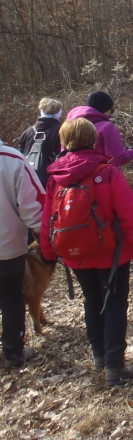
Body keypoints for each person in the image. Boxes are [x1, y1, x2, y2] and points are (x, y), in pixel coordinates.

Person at [41, 118, 133, 385]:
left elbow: (47, 219)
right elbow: (130, 215)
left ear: (64, 141)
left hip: (75, 254)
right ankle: (114, 367)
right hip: (112, 254)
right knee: (114, 304)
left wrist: (48, 252)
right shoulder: (108, 172)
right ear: (93, 139)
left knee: (92, 301)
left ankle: (99, 357)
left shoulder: (55, 177)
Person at [0, 140, 43, 369]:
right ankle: (13, 352)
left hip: (9, 247)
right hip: (7, 248)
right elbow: (34, 206)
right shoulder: (13, 159)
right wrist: (43, 234)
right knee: (11, 297)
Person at [65, 92, 133, 168]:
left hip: (69, 171)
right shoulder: (106, 127)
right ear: (104, 110)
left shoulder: (69, 125)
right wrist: (132, 151)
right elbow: (117, 158)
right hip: (96, 175)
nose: (111, 114)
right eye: (111, 111)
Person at [17, 97, 63, 187]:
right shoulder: (62, 130)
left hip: (29, 179)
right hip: (52, 180)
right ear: (58, 113)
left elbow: (19, 155)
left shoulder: (28, 132)